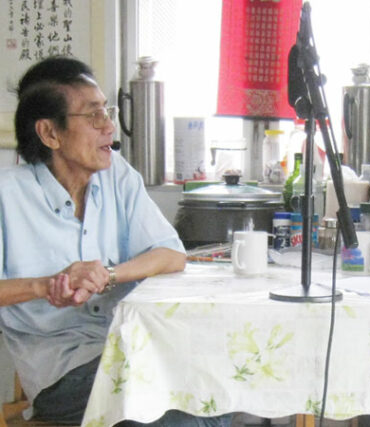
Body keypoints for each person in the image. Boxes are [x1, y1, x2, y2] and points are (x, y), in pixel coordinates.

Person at [0, 56, 230, 427]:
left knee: (216, 386)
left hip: (131, 345)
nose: (109, 126)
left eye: (107, 112)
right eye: (93, 115)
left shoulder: (116, 175)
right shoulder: (7, 195)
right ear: (50, 133)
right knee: (176, 416)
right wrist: (45, 286)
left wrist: (107, 275)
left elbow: (171, 255)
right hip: (63, 371)